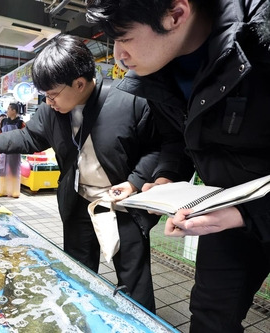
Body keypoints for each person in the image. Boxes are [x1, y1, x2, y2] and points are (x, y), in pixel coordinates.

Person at [86, 0, 270, 331]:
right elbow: (178, 138)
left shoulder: (261, 37)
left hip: (246, 209)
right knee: (210, 317)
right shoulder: (161, 71)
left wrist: (247, 214)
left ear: (176, 14)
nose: (117, 56)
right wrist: (166, 177)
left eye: (124, 38)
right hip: (225, 214)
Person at [0, 35, 161, 312]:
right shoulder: (51, 112)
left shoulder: (130, 100)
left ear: (80, 83)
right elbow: (31, 137)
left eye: (52, 94)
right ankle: (80, 318)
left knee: (134, 280)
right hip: (79, 202)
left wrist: (134, 182)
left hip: (124, 205)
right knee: (77, 274)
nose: (48, 102)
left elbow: (156, 148)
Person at [0, 103, 25, 198]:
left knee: (14, 170)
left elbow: (23, 136)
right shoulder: (3, 121)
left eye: (8, 109)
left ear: (14, 111)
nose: (7, 110)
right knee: (1, 170)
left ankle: (14, 191)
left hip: (14, 149)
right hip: (2, 148)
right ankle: (0, 190)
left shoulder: (20, 123)